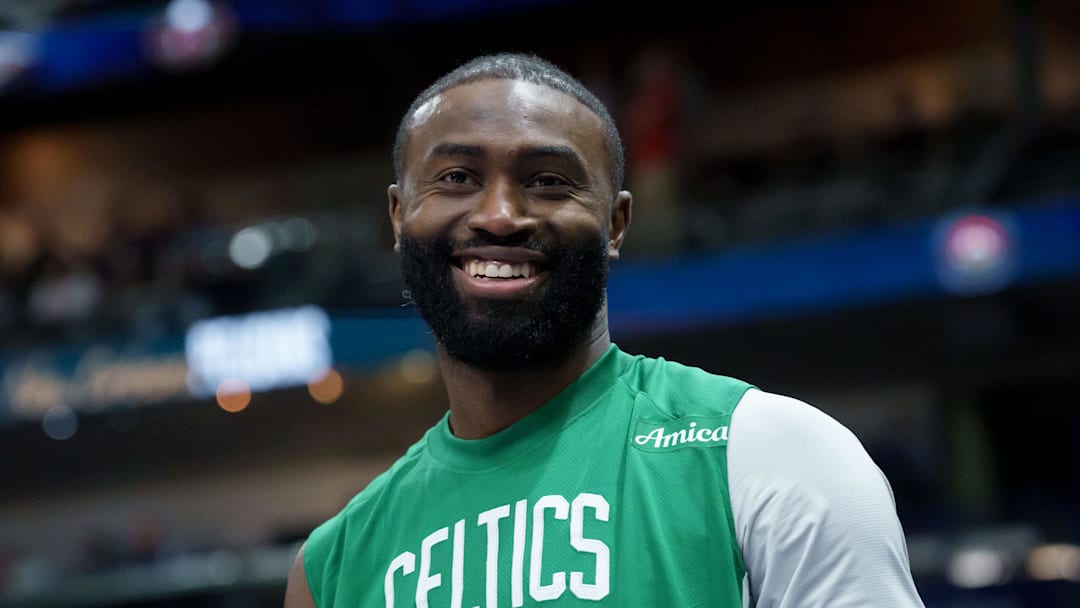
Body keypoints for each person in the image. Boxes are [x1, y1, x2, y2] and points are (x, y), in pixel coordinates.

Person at [284, 52, 925, 607]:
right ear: (399, 214)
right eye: (457, 178)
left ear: (616, 224)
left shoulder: (767, 454)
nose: (501, 215)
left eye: (548, 182)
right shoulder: (333, 568)